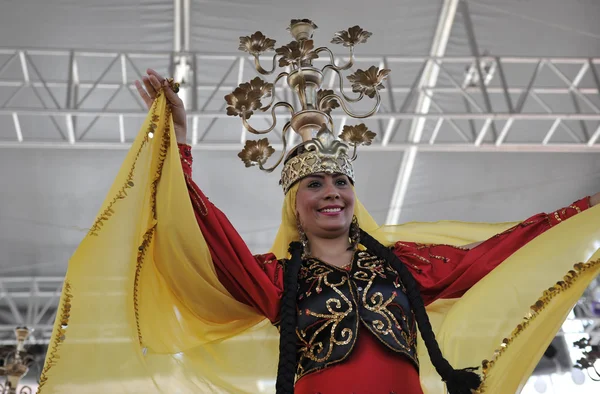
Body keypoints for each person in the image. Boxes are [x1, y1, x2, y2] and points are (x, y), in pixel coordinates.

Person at [35, 69, 600, 394]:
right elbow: (204, 235)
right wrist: (179, 139)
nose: (330, 191)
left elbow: (502, 251)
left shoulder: (406, 266)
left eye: (339, 181)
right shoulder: (278, 279)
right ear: (294, 209)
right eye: (314, 185)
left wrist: (586, 213)